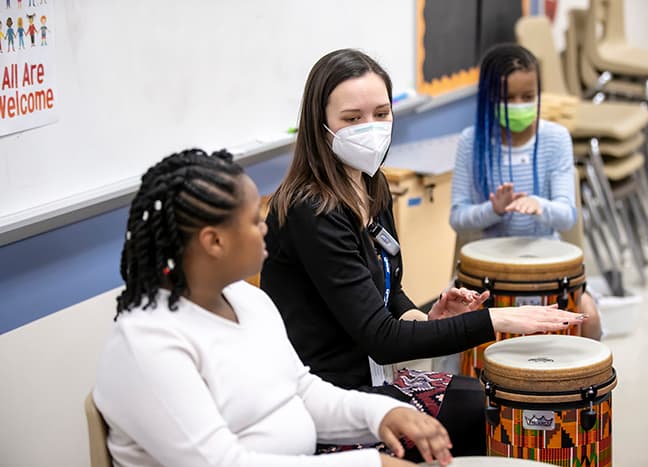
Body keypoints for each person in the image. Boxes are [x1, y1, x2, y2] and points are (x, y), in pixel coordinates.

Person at [260, 48, 586, 458]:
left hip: (370, 377)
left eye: (381, 113)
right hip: (332, 397)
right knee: (490, 412)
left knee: (493, 398)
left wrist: (422, 316)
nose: (371, 128)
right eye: (352, 118)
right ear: (319, 124)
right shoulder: (313, 211)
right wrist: (497, 319)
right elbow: (381, 339)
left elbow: (387, 290)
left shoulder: (370, 185)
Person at [93, 149, 457, 467]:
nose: (265, 227)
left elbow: (302, 391)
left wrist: (382, 414)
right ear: (214, 241)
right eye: (253, 220)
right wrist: (369, 462)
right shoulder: (147, 344)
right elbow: (222, 464)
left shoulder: (247, 300)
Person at [449, 44, 601, 340]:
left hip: (548, 270)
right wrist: (493, 209)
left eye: (528, 97)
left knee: (590, 319)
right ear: (489, 97)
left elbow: (567, 216)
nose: (519, 104)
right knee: (455, 333)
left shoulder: (555, 139)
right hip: (489, 273)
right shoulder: (471, 142)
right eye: (508, 98)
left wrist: (539, 205)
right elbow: (458, 217)